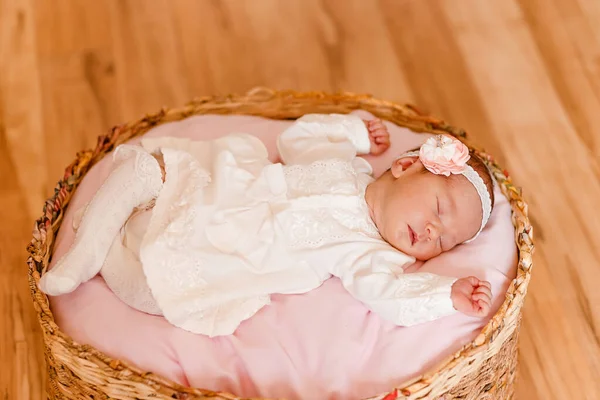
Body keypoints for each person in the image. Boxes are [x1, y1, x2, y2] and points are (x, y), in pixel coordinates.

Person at [40, 114, 494, 337]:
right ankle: (87, 250)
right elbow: (296, 138)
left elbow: (390, 298)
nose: (433, 232)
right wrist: (353, 132)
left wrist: (445, 295)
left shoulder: (371, 255)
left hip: (229, 256)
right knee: (149, 168)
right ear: (404, 166)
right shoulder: (345, 164)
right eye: (438, 208)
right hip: (222, 192)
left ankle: (108, 245)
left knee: (159, 288)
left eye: (446, 240)